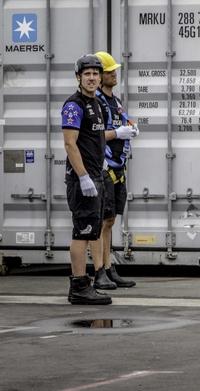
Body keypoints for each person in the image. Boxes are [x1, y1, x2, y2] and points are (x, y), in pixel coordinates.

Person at [62, 54, 112, 305]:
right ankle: (79, 286)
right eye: (87, 74)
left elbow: (96, 138)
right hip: (83, 179)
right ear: (78, 78)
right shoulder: (74, 105)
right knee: (81, 232)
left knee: (92, 230)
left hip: (96, 176)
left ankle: (85, 284)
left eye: (95, 73)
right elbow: (70, 144)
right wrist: (82, 176)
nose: (92, 78)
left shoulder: (98, 104)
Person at [90, 51, 138, 289]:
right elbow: (93, 135)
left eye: (113, 70)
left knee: (110, 221)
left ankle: (108, 268)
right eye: (109, 71)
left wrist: (130, 128)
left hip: (118, 167)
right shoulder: (96, 102)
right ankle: (99, 271)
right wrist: (117, 134)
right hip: (104, 167)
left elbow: (123, 121)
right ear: (100, 76)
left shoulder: (115, 101)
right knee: (101, 222)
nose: (114, 74)